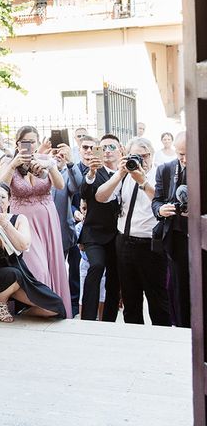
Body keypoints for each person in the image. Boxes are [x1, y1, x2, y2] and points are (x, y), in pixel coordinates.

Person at [0, 183, 66, 321]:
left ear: (9, 200)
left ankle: (22, 313)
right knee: (12, 274)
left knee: (55, 307)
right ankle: (0, 303)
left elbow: (24, 245)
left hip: (18, 277)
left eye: (2, 197)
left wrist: (5, 223)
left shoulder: (19, 219)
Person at [96, 137, 171, 326]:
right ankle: (134, 340)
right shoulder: (124, 175)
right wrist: (120, 174)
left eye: (144, 156)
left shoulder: (159, 174)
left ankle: (161, 340)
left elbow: (163, 202)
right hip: (124, 242)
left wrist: (143, 181)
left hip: (151, 245)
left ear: (152, 155)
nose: (141, 161)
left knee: (157, 300)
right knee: (130, 300)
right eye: (136, 156)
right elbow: (100, 196)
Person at [0, 126, 72, 318]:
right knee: (36, 269)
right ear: (17, 144)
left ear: (38, 143)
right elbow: (0, 187)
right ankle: (28, 304)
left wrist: (50, 167)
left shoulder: (46, 160)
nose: (30, 145)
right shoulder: (9, 162)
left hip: (47, 219)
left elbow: (60, 185)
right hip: (22, 222)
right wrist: (13, 165)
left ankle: (47, 309)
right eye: (25, 142)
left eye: (33, 142)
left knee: (49, 266)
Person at [79, 134, 122, 322]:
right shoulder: (94, 172)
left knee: (114, 276)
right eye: (103, 147)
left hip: (118, 235)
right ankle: (88, 318)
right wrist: (91, 174)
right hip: (94, 233)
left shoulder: (127, 172)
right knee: (96, 266)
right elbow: (85, 191)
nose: (107, 151)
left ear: (121, 150)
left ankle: (109, 320)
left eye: (112, 147)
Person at [152, 131, 189, 327]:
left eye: (187, 154)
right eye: (180, 154)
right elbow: (156, 201)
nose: (183, 159)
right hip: (176, 239)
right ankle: (184, 330)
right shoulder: (166, 169)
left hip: (200, 236)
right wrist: (161, 209)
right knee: (179, 291)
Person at [50, 142, 83, 316]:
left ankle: (70, 305)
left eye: (61, 154)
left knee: (67, 270)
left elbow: (78, 186)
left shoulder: (67, 173)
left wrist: (70, 163)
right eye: (55, 153)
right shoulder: (41, 173)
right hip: (43, 231)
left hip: (63, 232)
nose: (58, 156)